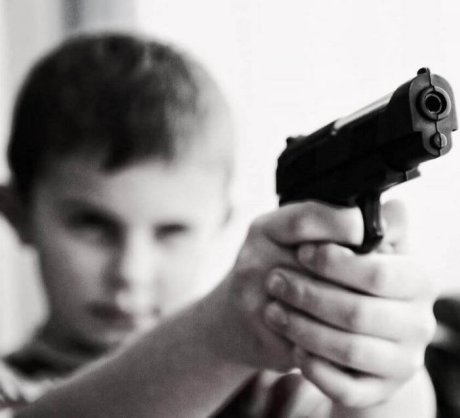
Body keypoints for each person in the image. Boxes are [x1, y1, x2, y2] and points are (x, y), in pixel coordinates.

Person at [0, 32, 437, 417]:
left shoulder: (270, 393)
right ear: (17, 213)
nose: (131, 272)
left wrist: (384, 369)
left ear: (221, 223)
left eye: (171, 231)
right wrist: (217, 337)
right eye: (92, 225)